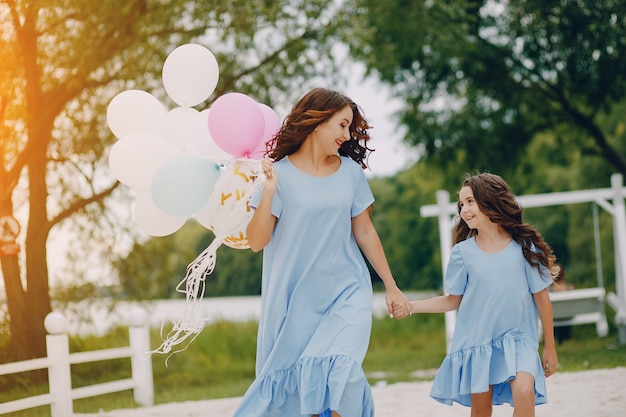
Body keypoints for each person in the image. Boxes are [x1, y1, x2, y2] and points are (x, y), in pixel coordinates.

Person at [234, 87, 411, 417]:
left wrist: (390, 285)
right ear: (317, 122)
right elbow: (257, 242)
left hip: (346, 290)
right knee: (300, 394)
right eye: (341, 125)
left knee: (339, 372)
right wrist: (269, 192)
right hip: (294, 300)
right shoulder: (278, 175)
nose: (347, 134)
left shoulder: (350, 173)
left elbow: (365, 231)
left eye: (349, 127)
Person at [393, 172, 558, 417]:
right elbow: (452, 300)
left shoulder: (524, 247)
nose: (464, 209)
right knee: (481, 411)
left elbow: (542, 297)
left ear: (491, 200)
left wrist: (550, 347)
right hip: (478, 344)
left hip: (519, 341)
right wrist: (411, 306)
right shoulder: (462, 253)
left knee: (524, 392)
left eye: (470, 201)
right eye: (461, 204)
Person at [550, 264, 575, 344]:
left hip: (555, 316)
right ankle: (567, 336)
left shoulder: (549, 290)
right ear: (563, 275)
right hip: (568, 315)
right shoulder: (570, 288)